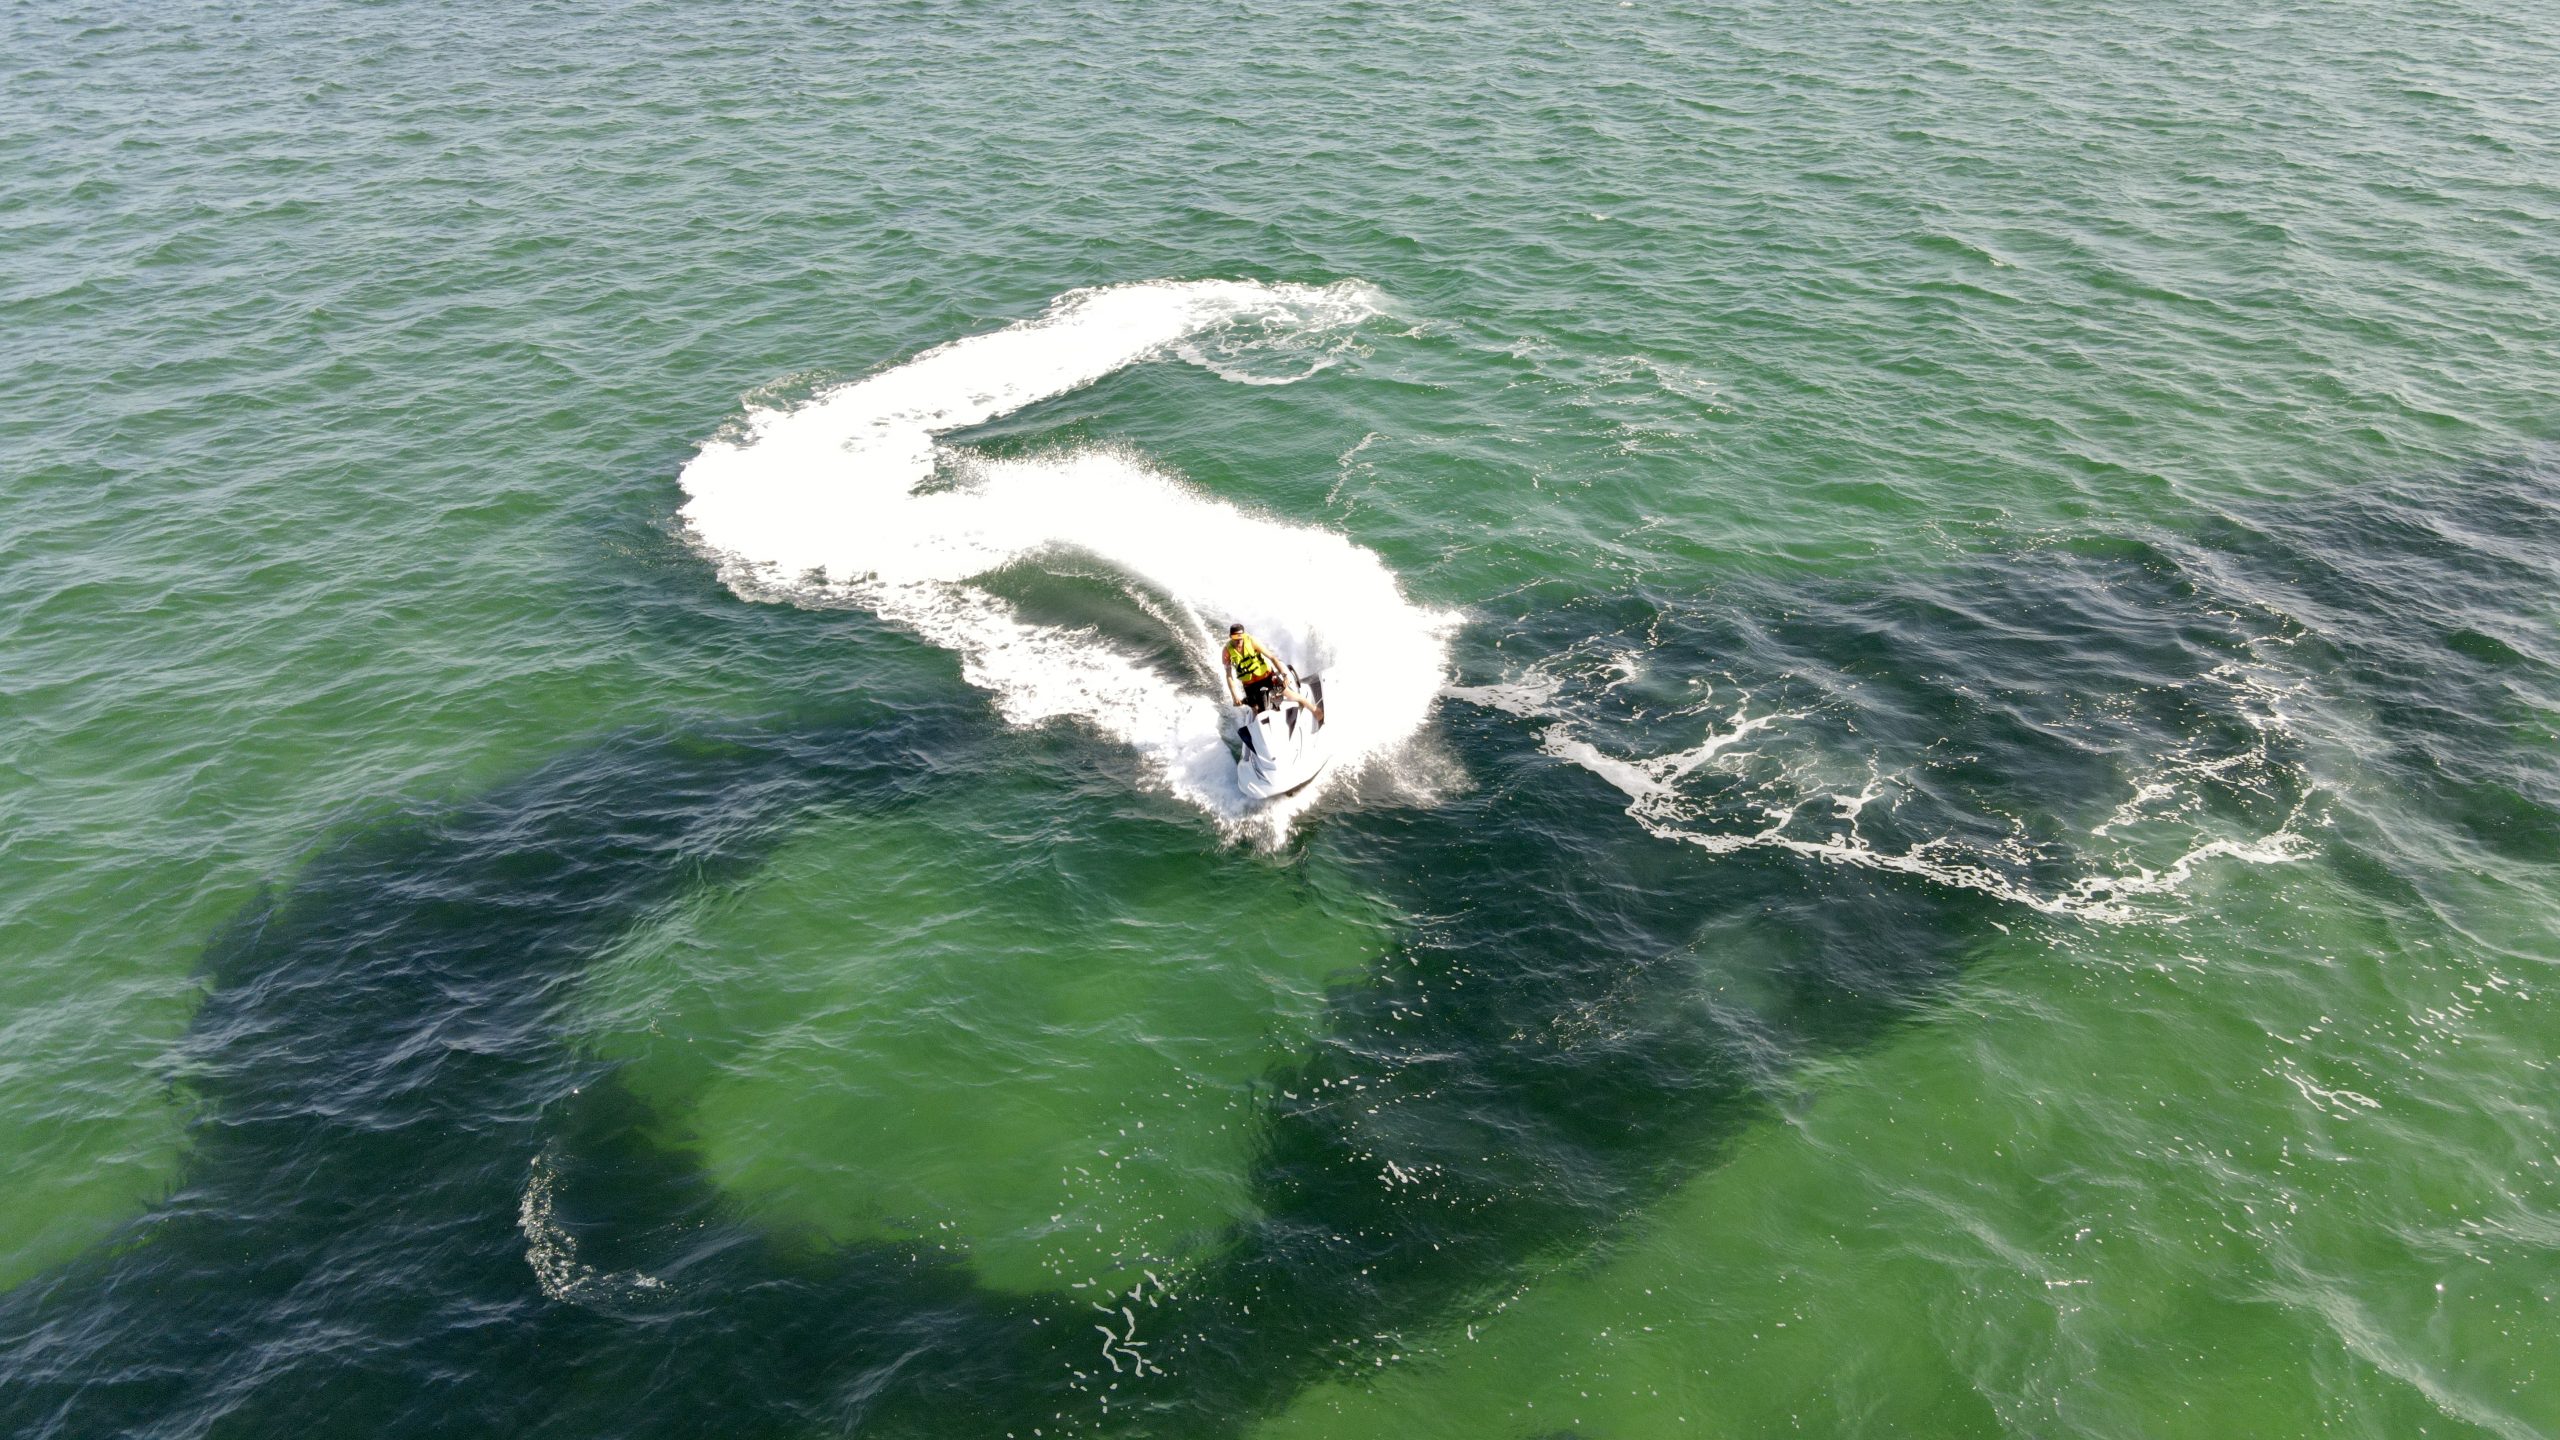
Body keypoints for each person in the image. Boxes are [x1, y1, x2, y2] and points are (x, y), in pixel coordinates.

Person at [1222, 623, 1288, 712]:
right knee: (1255, 708)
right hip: (1250, 685)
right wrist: (1234, 696)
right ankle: (1259, 719)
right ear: (1230, 636)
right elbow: (1229, 676)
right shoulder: (1226, 651)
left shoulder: (1252, 641)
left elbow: (1272, 657)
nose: (1239, 639)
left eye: (1240, 636)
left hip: (1266, 677)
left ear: (1244, 635)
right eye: (1235, 637)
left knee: (1288, 694)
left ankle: (1311, 707)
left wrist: (1284, 676)